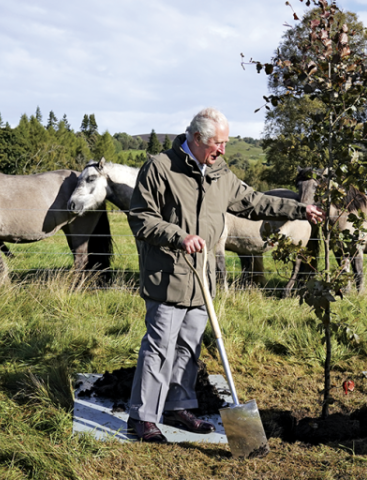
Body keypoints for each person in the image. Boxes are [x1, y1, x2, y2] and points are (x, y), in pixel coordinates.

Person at [125, 108, 325, 443]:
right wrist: (178, 236)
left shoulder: (219, 173)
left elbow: (252, 202)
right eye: (218, 143)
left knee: (189, 347)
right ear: (197, 139)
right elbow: (141, 218)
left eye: (226, 143)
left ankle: (178, 406)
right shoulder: (160, 168)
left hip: (203, 279)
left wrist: (299, 209)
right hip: (169, 275)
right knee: (159, 346)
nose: (223, 150)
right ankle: (142, 418)